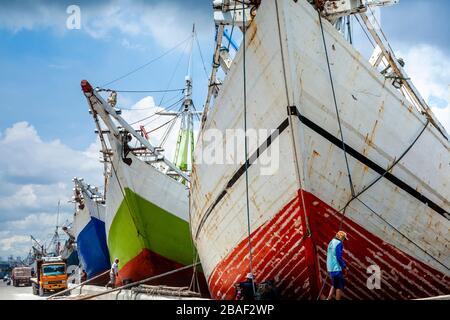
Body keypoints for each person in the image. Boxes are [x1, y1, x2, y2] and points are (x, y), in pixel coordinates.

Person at [326, 231, 348, 300]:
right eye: (344, 239)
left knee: (334, 284)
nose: (344, 241)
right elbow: (339, 257)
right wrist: (344, 266)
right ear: (341, 238)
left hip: (330, 268)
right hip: (336, 268)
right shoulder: (339, 243)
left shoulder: (331, 242)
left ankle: (328, 298)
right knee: (339, 286)